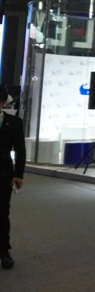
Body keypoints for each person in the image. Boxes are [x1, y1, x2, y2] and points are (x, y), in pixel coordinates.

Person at [0, 87, 25, 269]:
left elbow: (20, 149)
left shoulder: (14, 122)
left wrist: (18, 174)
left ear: (2, 103)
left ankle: (3, 251)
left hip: (3, 174)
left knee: (2, 214)